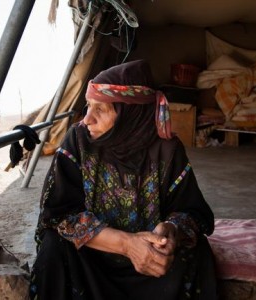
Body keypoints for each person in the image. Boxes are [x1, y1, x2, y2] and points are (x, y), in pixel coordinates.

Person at [29, 60, 217, 300]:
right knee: (54, 246)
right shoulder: (78, 141)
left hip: (149, 263)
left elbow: (192, 213)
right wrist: (126, 244)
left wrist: (170, 231)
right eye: (88, 107)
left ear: (132, 114)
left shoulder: (167, 150)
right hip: (92, 254)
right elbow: (57, 214)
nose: (87, 119)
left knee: (195, 250)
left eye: (101, 109)